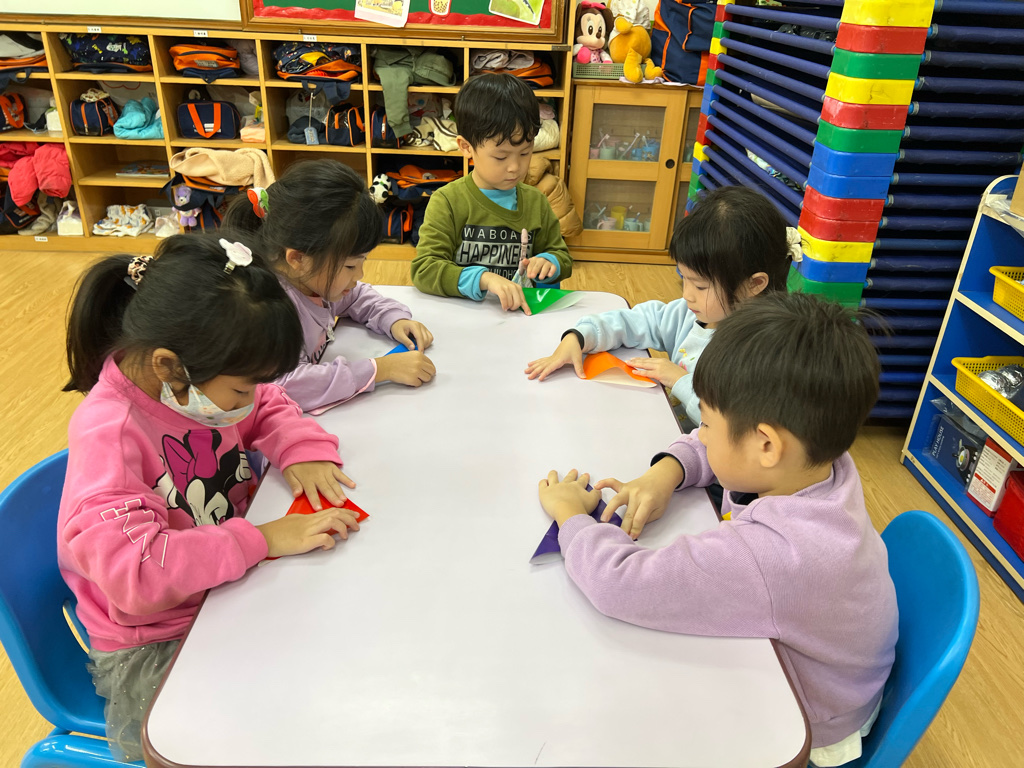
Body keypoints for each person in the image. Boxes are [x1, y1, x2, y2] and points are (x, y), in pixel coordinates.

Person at [536, 292, 897, 767]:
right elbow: (721, 450)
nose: (699, 433)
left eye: (705, 422)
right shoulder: (816, 459)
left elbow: (618, 583)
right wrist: (667, 471)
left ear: (766, 445)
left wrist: (571, 517)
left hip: (808, 726)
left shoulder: (776, 553)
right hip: (832, 675)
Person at [58, 234, 362, 761]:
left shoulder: (199, 380)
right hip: (156, 643)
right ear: (168, 367)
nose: (249, 400)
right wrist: (262, 541)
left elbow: (268, 401)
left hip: (225, 589)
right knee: (281, 732)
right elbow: (137, 574)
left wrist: (299, 448)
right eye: (241, 390)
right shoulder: (110, 436)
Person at [525, 186, 799, 430]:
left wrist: (679, 380)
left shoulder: (766, 352)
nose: (687, 295)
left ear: (754, 284)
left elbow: (734, 426)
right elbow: (641, 320)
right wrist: (579, 337)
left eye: (700, 286)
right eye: (684, 279)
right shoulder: (692, 314)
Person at [223, 159, 435, 414]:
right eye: (350, 266)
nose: (359, 275)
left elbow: (356, 296)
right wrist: (382, 369)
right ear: (298, 259)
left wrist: (393, 319)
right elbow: (289, 386)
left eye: (363, 262)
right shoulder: (267, 310)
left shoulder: (312, 279)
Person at [410, 73, 572, 313]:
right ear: (466, 147)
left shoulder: (535, 201)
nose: (515, 167)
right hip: (465, 316)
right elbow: (425, 269)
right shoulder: (448, 201)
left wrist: (550, 262)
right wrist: (483, 279)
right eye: (501, 157)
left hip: (520, 318)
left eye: (525, 153)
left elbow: (562, 256)